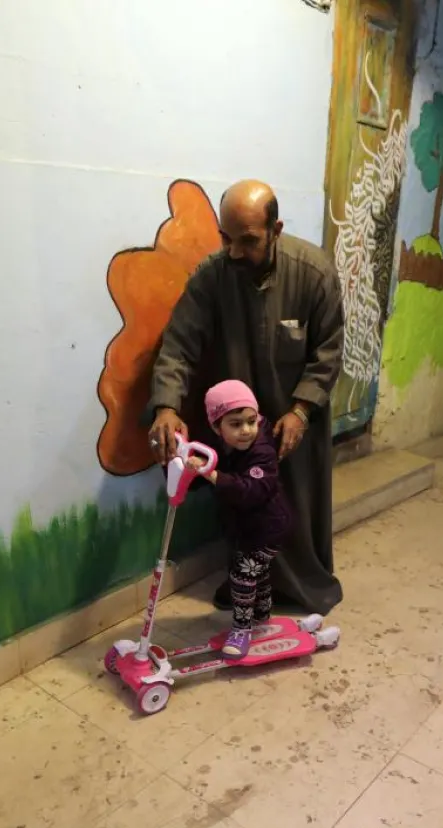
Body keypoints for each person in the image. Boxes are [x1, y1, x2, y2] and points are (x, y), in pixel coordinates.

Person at [149, 180, 344, 615]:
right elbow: (178, 343)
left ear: (276, 228)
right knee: (243, 507)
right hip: (240, 426)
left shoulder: (314, 273)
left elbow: (329, 352)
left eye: (249, 241)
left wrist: (301, 409)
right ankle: (250, 588)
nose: (235, 252)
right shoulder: (214, 275)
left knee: (291, 509)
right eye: (226, 239)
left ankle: (300, 589)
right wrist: (166, 405)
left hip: (296, 417)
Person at [187, 380, 292, 658]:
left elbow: (251, 490)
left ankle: (242, 629)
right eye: (236, 424)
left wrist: (211, 474)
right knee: (258, 571)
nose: (246, 430)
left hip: (268, 529)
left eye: (251, 421)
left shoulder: (262, 452)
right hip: (248, 528)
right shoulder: (221, 443)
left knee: (243, 575)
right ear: (216, 428)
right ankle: (262, 614)